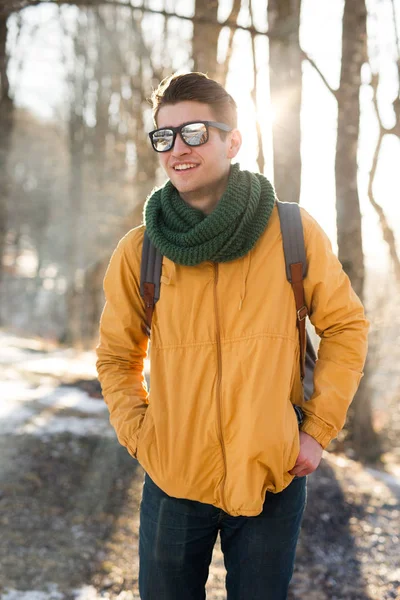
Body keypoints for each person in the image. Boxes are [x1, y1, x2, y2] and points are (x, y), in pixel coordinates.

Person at [96, 72, 369, 600]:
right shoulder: (140, 250)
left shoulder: (291, 231)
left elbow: (345, 325)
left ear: (232, 140)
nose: (177, 148)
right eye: (164, 136)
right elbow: (116, 354)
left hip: (272, 474)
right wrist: (141, 435)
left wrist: (316, 430)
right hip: (172, 480)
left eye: (194, 132)